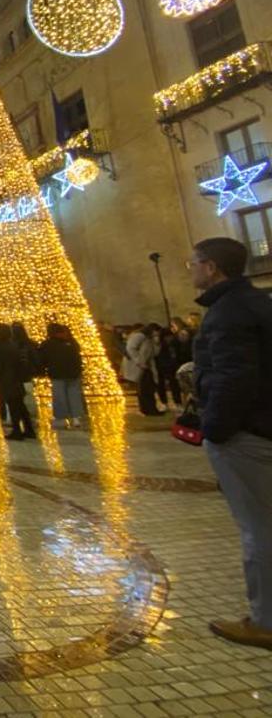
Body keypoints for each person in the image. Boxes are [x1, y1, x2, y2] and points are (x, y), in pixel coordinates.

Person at [186, 237, 272, 650]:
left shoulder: (226, 314)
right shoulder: (258, 303)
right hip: (262, 426)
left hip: (245, 435)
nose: (191, 270)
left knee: (259, 527)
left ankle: (266, 620)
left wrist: (214, 429)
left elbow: (233, 378)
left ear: (213, 267)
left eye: (194, 263)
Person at [0, 322, 33, 440]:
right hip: (16, 379)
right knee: (20, 405)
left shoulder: (0, 346)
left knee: (13, 406)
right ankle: (29, 430)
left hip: (6, 380)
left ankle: (17, 431)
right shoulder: (12, 344)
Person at [38, 323, 87, 429]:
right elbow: (78, 358)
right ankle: (76, 418)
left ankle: (61, 419)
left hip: (57, 374)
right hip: (74, 374)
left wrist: (43, 371)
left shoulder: (47, 344)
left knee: (59, 397)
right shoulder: (71, 342)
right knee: (74, 396)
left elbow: (42, 360)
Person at [123, 324, 161, 416]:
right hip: (140, 366)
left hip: (146, 365)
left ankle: (150, 409)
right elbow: (130, 348)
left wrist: (157, 343)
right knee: (145, 388)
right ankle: (148, 409)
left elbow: (154, 353)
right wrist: (139, 361)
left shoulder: (150, 339)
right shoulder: (139, 336)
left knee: (147, 388)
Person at [12, 322, 40, 419]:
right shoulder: (30, 344)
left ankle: (20, 415)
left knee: (16, 395)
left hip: (15, 375)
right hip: (28, 374)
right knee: (29, 394)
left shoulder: (10, 344)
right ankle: (31, 414)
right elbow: (36, 359)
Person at [155, 327, 183, 409]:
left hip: (172, 367)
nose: (169, 339)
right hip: (161, 366)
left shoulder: (174, 343)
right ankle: (165, 402)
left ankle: (177, 402)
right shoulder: (160, 345)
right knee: (162, 385)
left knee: (174, 384)